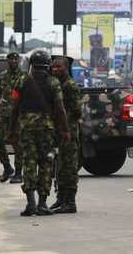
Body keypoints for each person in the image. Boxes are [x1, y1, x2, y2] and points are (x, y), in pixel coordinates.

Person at [8, 50, 70, 216]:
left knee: (29, 163)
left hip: (26, 129)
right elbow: (60, 109)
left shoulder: (21, 80)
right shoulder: (54, 83)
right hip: (46, 130)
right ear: (47, 64)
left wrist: (11, 129)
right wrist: (64, 130)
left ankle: (31, 204)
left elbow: (14, 107)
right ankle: (43, 204)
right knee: (45, 164)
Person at [0, 52, 26, 183]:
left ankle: (19, 173)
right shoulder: (2, 76)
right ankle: (7, 168)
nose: (14, 61)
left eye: (16, 59)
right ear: (7, 61)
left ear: (18, 60)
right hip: (5, 114)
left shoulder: (24, 76)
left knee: (17, 143)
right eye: (11, 59)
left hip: (18, 115)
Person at [50, 56, 82, 214]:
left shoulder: (70, 86)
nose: (55, 70)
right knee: (60, 167)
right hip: (60, 131)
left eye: (59, 67)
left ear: (66, 68)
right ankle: (61, 199)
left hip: (68, 131)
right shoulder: (57, 85)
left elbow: (77, 110)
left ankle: (70, 202)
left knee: (69, 167)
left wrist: (67, 124)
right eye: (53, 67)